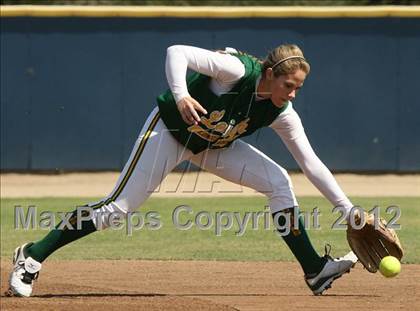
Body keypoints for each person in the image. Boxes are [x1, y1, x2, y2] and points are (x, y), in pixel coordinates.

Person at [8, 44, 359, 298]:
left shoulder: (282, 113)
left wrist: (349, 212)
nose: (294, 93)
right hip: (171, 132)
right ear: (270, 73)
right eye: (289, 85)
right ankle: (31, 257)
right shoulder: (237, 71)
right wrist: (180, 94)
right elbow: (177, 51)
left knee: (280, 183)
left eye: (299, 87)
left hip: (211, 146)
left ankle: (314, 269)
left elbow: (311, 164)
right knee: (117, 210)